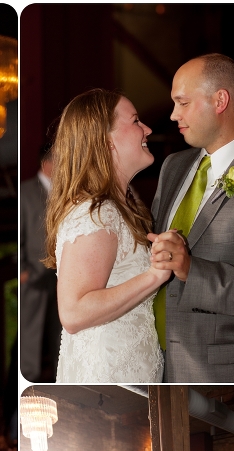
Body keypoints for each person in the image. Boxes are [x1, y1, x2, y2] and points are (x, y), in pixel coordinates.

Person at [149, 54, 234, 383]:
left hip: (221, 374)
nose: (173, 114)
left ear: (220, 100)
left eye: (183, 102)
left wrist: (192, 269)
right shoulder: (172, 166)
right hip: (151, 363)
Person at [44, 89, 168, 382]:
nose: (147, 129)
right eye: (135, 121)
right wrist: (154, 275)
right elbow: (74, 313)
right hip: (108, 376)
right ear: (105, 140)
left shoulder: (122, 204)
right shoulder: (95, 212)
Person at [20, 145, 60, 381]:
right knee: (31, 335)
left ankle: (60, 379)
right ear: (47, 163)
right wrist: (22, 270)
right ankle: (28, 382)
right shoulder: (25, 192)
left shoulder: (67, 191)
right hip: (34, 274)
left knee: (61, 334)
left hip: (63, 275)